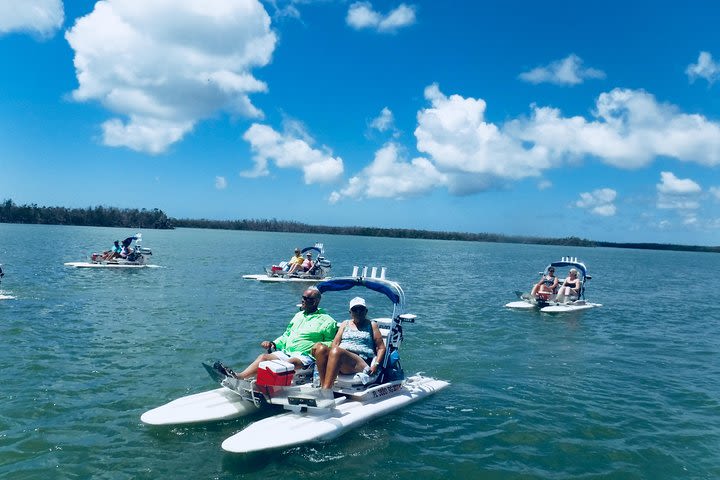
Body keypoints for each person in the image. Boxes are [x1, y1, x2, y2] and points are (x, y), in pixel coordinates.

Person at [231, 287, 338, 380]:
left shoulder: (327, 321)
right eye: (302, 297)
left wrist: (319, 347)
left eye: (306, 298)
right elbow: (287, 335)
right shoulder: (298, 316)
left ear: (315, 301)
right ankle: (240, 376)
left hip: (305, 357)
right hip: (287, 352)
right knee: (264, 357)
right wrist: (274, 343)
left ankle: (264, 385)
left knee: (288, 363)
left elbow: (332, 343)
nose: (302, 300)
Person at [312, 297, 386, 397]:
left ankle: (326, 392)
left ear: (366, 311)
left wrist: (376, 364)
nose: (358, 312)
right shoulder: (344, 324)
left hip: (360, 361)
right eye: (355, 309)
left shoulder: (372, 325)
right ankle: (322, 385)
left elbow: (381, 347)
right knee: (319, 348)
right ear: (350, 312)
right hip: (340, 357)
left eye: (361, 309)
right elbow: (335, 344)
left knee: (337, 352)